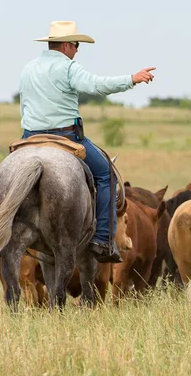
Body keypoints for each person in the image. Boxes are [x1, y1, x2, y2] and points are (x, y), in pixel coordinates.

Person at [18, 21, 155, 263]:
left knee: (0, 180)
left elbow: (24, 106)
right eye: (77, 45)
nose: (77, 50)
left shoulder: (28, 68)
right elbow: (96, 85)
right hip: (65, 136)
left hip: (30, 138)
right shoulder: (68, 68)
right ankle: (103, 238)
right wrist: (131, 79)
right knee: (106, 175)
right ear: (67, 45)